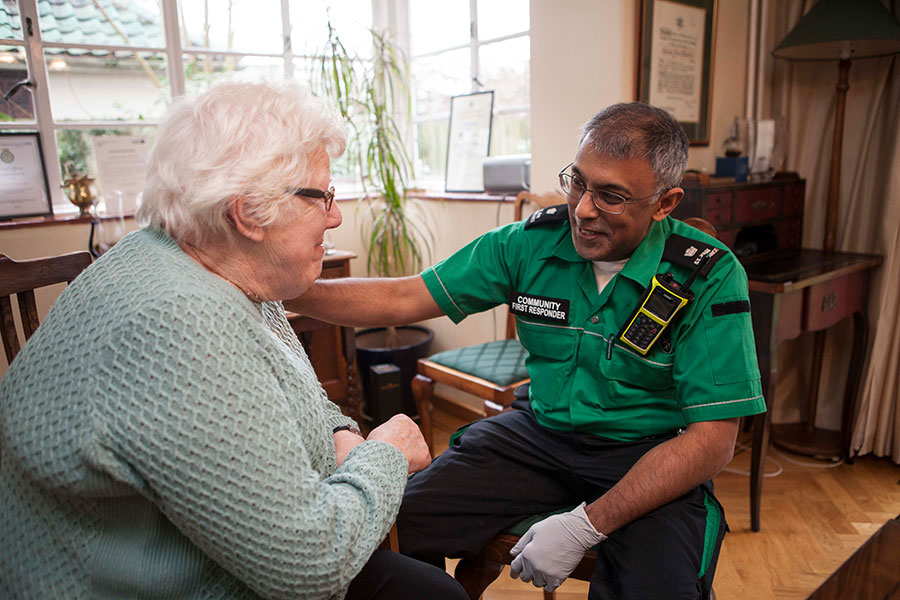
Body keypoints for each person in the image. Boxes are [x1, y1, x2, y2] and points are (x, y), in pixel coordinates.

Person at [0, 80, 468, 600]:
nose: (335, 216)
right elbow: (307, 568)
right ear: (248, 214)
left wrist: (341, 435)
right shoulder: (177, 323)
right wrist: (386, 456)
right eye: (322, 196)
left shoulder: (227, 269)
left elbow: (300, 396)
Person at [289, 102, 766, 599]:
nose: (583, 209)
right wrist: (284, 288)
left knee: (657, 590)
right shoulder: (529, 244)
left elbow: (713, 440)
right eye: (577, 182)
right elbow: (403, 297)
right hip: (540, 435)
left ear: (665, 203)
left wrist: (585, 525)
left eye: (611, 196)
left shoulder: (707, 274)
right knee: (387, 524)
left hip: (651, 453)